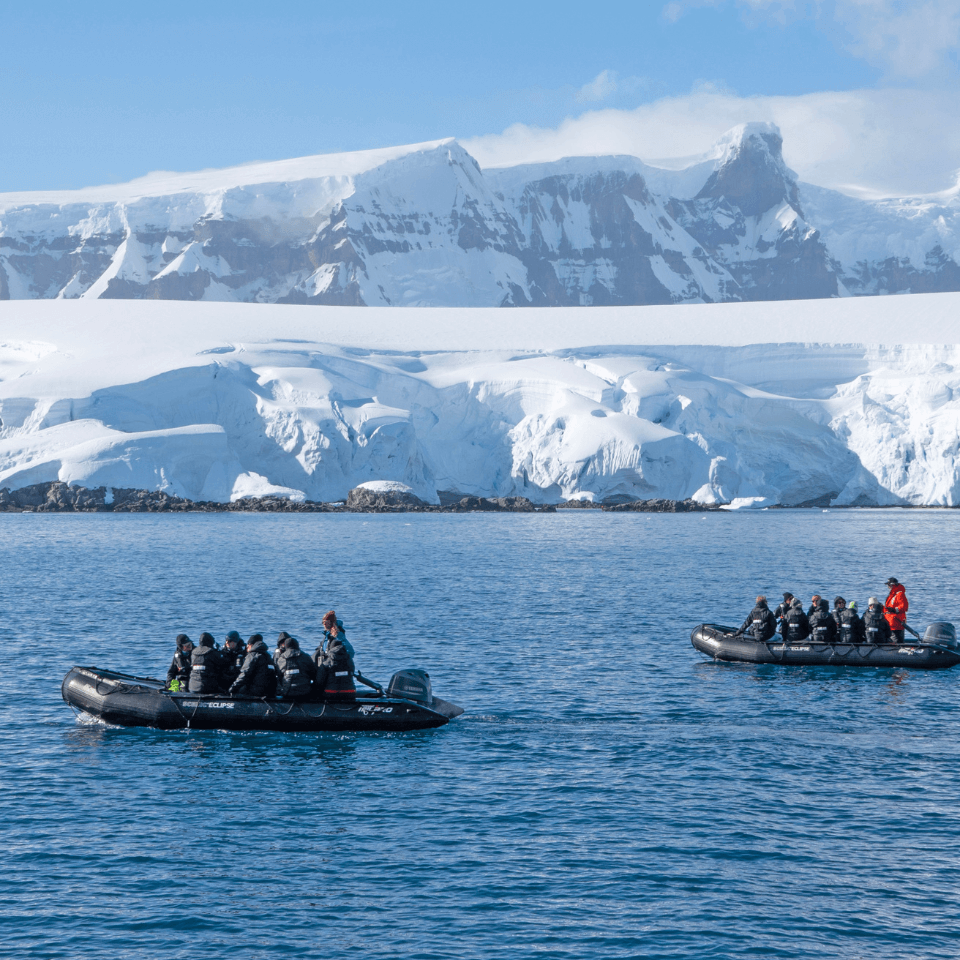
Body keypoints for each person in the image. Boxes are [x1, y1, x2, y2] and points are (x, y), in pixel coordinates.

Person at [314, 610, 357, 700]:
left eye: (326, 622)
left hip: (332, 668)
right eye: (323, 622)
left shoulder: (338, 635)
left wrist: (333, 660)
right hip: (326, 667)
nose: (324, 625)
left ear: (331, 622)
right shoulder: (327, 635)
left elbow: (350, 652)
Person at [883, 577, 909, 642]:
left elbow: (904, 607)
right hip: (891, 623)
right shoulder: (892, 594)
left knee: (897, 641)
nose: (888, 587)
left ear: (892, 585)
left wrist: (894, 610)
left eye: (889, 585)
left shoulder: (899, 594)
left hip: (897, 623)